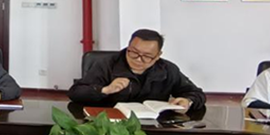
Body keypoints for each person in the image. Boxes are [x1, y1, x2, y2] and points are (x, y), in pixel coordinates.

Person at [68, 29, 205, 111]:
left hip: (153, 126)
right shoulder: (106, 64)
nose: (138, 60)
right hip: (111, 126)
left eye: (147, 56)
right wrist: (105, 90)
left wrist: (188, 101)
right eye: (133, 53)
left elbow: (196, 93)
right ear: (128, 47)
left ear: (158, 56)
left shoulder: (167, 69)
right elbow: (75, 92)